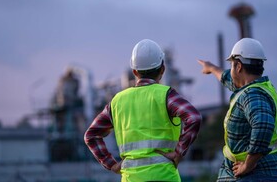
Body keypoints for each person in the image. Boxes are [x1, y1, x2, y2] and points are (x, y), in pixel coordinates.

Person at [84, 39, 202, 182]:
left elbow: (91, 135)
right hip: (164, 177)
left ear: (134, 71)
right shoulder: (166, 95)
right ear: (163, 69)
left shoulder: (117, 101)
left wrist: (112, 165)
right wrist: (179, 152)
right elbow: (193, 117)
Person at [198, 38, 277, 182]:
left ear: (239, 66)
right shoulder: (255, 88)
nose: (230, 69)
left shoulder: (252, 95)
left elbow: (263, 125)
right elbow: (228, 78)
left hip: (256, 174)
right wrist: (211, 68)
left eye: (231, 65)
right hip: (263, 171)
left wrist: (248, 165)